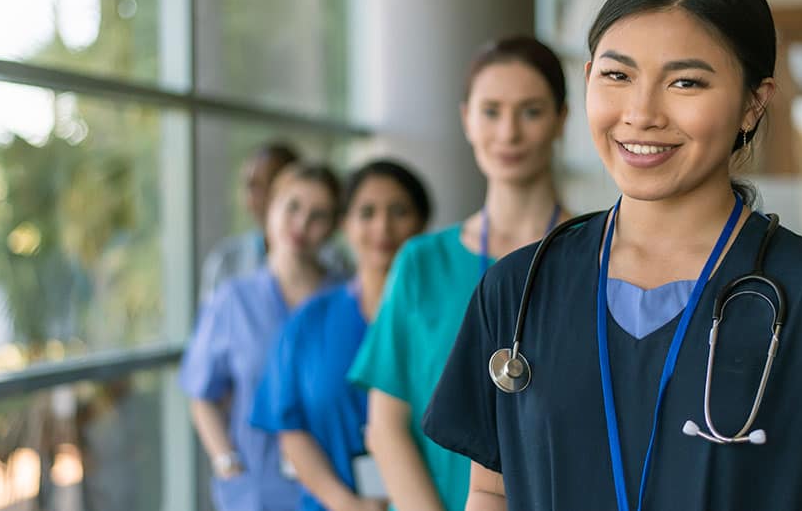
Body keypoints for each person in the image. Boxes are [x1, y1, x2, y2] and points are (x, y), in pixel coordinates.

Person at [422, 0, 802, 511]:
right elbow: (492, 487)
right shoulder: (518, 288)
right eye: (617, 74)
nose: (641, 113)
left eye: (685, 82)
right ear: (587, 80)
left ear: (753, 102)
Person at [347, 36, 571, 511]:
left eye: (530, 111)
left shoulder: (597, 257)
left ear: (561, 120)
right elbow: (385, 426)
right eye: (491, 111)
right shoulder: (420, 263)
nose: (508, 133)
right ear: (467, 118)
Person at [250, 159, 433, 511]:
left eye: (399, 211)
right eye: (366, 212)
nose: (382, 226)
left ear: (422, 224)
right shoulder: (309, 321)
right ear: (344, 224)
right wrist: (347, 504)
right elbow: (291, 430)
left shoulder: (444, 322)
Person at [179, 163, 342, 511]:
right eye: (293, 207)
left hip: (334, 486)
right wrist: (228, 464)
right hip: (255, 487)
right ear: (271, 207)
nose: (301, 225)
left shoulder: (346, 300)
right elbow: (201, 395)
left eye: (318, 216)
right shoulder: (233, 300)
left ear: (332, 227)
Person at [199, 142, 299, 304]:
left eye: (266, 185)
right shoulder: (227, 261)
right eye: (251, 186)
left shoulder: (332, 265)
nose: (253, 198)